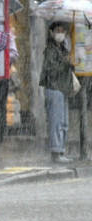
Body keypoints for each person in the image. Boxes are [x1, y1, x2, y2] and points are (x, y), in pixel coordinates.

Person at [39, 21, 75, 163]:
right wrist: (65, 62)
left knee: (63, 121)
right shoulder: (50, 50)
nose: (60, 33)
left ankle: (61, 150)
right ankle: (55, 151)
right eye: (57, 30)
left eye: (62, 31)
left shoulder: (63, 49)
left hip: (63, 89)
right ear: (52, 33)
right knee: (56, 121)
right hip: (54, 89)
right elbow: (51, 71)